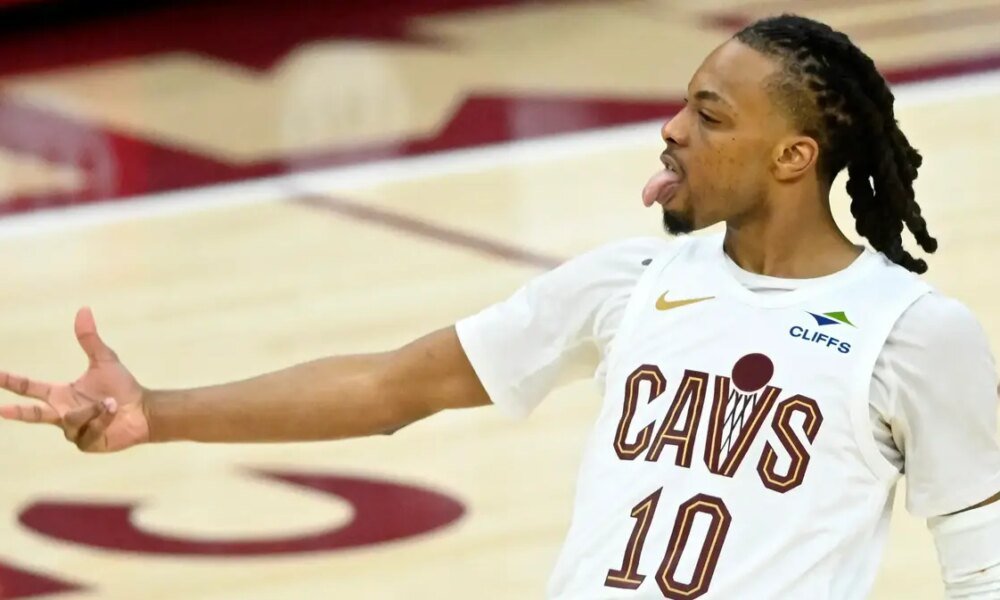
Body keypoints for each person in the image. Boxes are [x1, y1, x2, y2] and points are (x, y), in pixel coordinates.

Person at [2, 14, 998, 599]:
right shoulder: (630, 282)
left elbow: (982, 568)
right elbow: (393, 386)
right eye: (682, 102)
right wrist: (157, 412)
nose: (670, 128)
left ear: (793, 156)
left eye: (708, 116)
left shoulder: (911, 335)